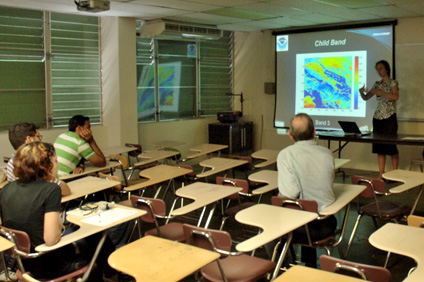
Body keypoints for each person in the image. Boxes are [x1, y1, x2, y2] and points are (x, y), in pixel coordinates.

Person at [0, 142, 115, 281]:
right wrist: (59, 224)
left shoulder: (7, 189)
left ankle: (109, 271)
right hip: (49, 265)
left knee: (86, 234)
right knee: (96, 236)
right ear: (45, 165)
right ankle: (111, 271)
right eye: (55, 161)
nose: (57, 164)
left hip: (23, 262)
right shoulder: (50, 190)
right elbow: (51, 240)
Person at [276, 113, 337, 268]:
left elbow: (289, 195)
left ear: (290, 135)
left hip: (300, 227)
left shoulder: (285, 156)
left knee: (275, 224)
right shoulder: (328, 154)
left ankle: (282, 271)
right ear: (314, 132)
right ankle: (309, 267)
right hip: (326, 224)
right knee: (304, 210)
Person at [359, 60, 399, 179]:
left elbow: (395, 96)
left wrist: (381, 92)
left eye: (381, 68)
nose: (379, 71)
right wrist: (361, 93)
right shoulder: (376, 84)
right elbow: (366, 97)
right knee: (379, 147)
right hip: (377, 118)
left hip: (389, 117)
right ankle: (381, 173)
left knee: (392, 147)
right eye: (377, 69)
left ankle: (395, 173)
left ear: (386, 69)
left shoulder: (393, 82)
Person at [6, 123, 70, 196]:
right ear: (29, 139)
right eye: (38, 136)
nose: (40, 141)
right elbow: (65, 190)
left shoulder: (11, 163)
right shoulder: (36, 163)